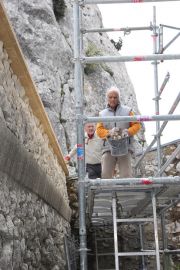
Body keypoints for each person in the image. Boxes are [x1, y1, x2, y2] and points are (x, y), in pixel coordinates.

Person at [96, 86, 141, 179]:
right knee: (105, 174)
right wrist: (109, 132)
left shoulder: (127, 111)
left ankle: (126, 193)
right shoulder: (102, 114)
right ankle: (108, 193)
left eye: (115, 97)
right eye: (110, 97)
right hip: (108, 147)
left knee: (126, 174)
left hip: (125, 147)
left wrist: (128, 131)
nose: (113, 99)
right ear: (107, 98)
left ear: (118, 98)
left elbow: (137, 125)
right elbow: (99, 131)